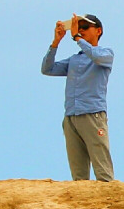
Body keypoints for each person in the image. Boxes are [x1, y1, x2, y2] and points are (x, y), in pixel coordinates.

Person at [42, 13, 115, 182]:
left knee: (103, 171)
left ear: (98, 31)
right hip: (71, 117)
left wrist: (76, 37)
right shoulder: (75, 59)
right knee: (78, 176)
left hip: (92, 114)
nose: (81, 30)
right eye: (78, 27)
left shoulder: (106, 53)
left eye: (84, 27)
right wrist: (56, 42)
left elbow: (96, 57)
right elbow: (48, 69)